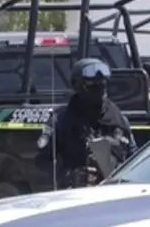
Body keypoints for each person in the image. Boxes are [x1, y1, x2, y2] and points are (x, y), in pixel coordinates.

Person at [36, 58, 137, 186]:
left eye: (102, 83)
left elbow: (135, 158)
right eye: (92, 84)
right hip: (76, 194)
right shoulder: (62, 120)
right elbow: (41, 162)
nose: (99, 88)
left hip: (115, 193)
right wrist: (71, 176)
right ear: (77, 85)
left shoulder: (119, 120)